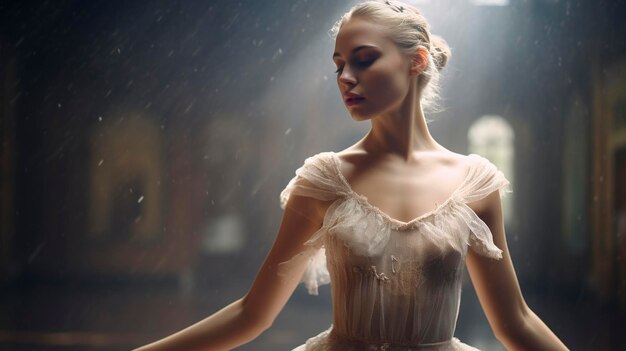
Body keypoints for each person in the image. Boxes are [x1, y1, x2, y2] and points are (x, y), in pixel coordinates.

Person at [134, 1, 569, 350]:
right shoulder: (323, 180)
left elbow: (515, 321)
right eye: (338, 64)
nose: (345, 77)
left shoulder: (474, 182)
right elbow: (253, 314)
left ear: (416, 61)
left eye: (363, 60)